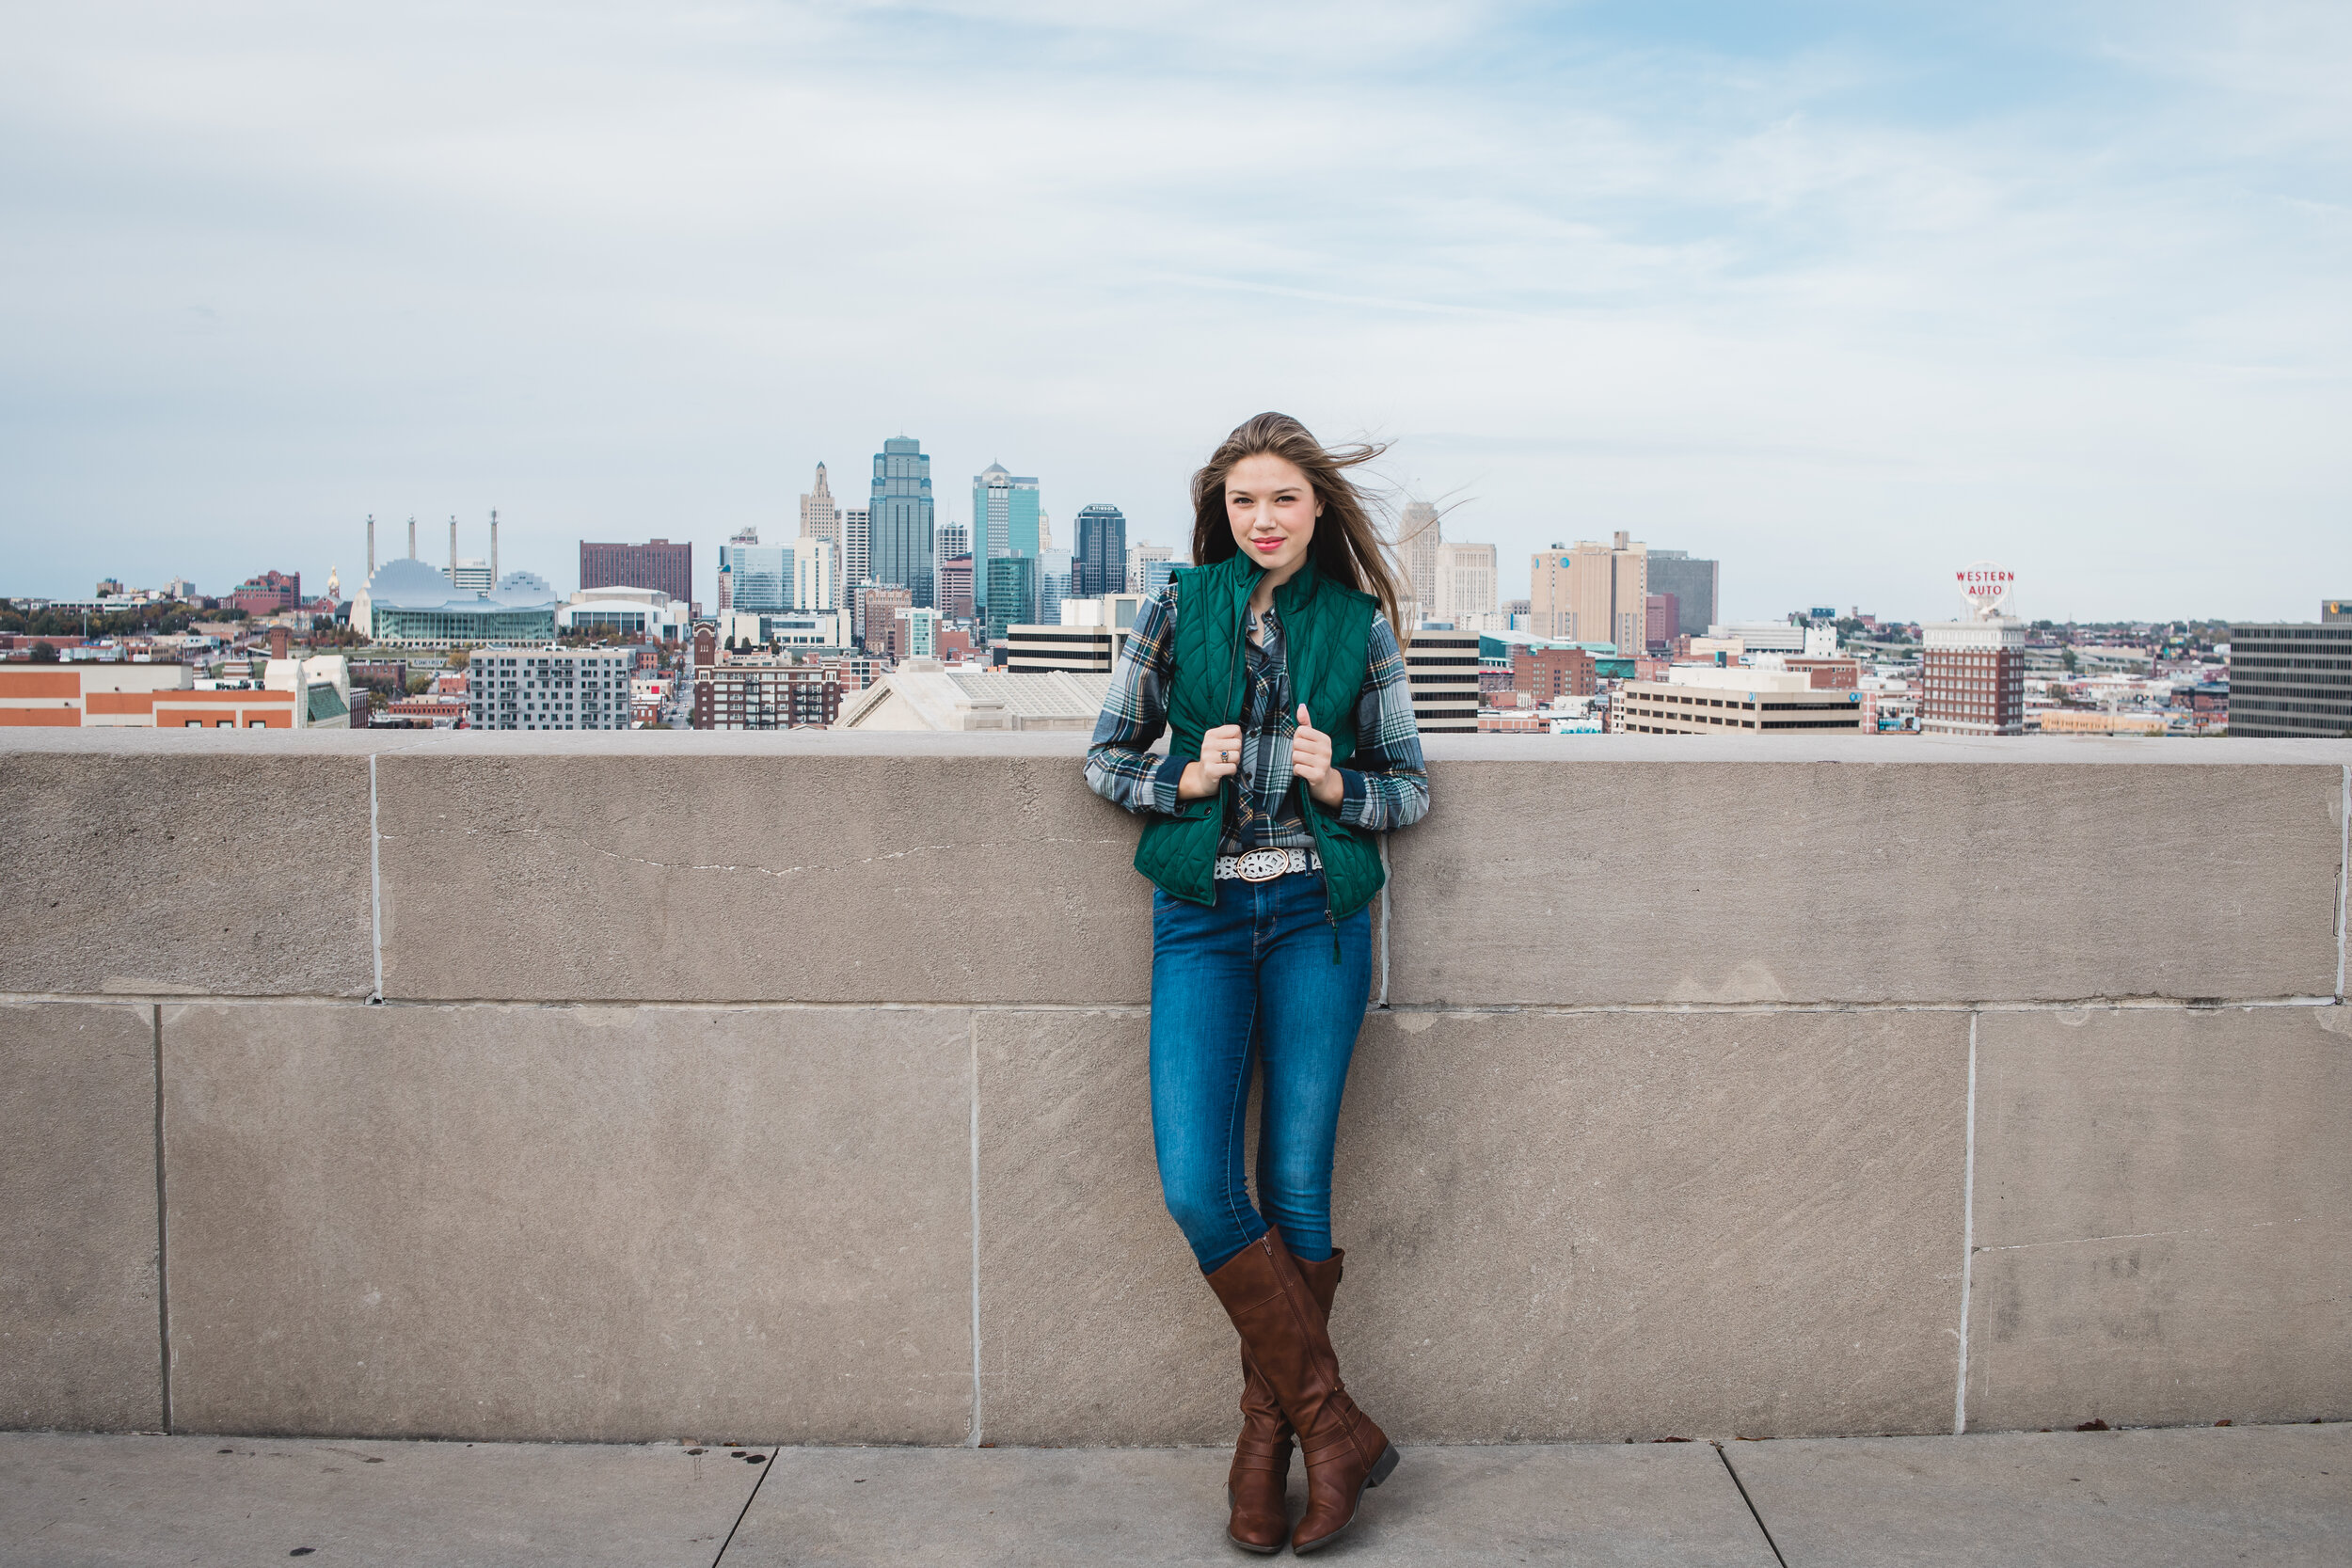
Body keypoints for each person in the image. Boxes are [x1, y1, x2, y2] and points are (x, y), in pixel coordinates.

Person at [1085, 411, 1430, 1554]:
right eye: (1243, 500)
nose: (1263, 519)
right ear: (1219, 512)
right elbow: (1104, 755)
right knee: (1197, 1183)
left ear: (1316, 507)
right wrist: (1182, 774)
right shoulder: (1179, 605)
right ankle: (1333, 1423)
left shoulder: (1358, 625)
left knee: (1294, 1188)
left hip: (1317, 921)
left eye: (1282, 498)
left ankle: (1265, 1440)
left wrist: (1341, 789)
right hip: (1201, 916)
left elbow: (1408, 788)